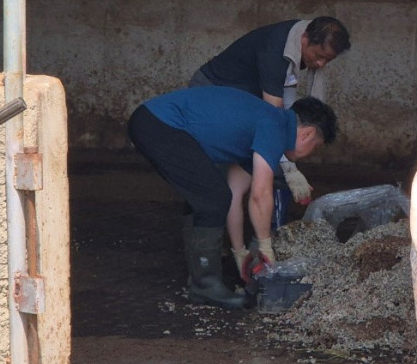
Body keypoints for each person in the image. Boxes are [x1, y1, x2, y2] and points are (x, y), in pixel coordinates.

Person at [127, 86, 338, 309]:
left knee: (210, 196)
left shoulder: (265, 128)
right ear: (308, 134)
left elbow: (234, 196)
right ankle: (205, 286)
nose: (310, 154)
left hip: (152, 121)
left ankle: (201, 281)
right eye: (314, 147)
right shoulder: (275, 126)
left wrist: (240, 252)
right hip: (160, 124)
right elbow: (260, 194)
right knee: (211, 198)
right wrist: (266, 248)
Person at [190, 16, 350, 208]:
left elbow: (286, 104)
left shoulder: (295, 45)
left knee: (263, 168)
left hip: (241, 101)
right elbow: (275, 120)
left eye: (328, 60)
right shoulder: (276, 51)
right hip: (211, 93)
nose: (321, 64)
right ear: (306, 39)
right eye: (319, 56)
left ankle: (251, 228)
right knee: (210, 175)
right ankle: (205, 230)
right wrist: (289, 168)